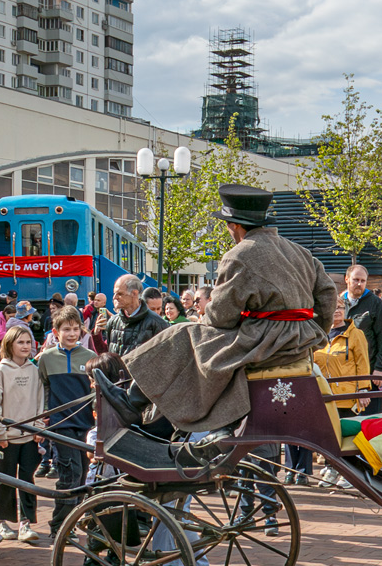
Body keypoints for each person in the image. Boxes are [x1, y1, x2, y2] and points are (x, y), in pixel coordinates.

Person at [95, 184, 336, 447]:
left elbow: (219, 317)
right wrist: (314, 334)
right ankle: (212, 422)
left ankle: (134, 401)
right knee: (203, 342)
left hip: (269, 340)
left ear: (234, 226)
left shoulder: (240, 255)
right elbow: (327, 295)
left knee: (182, 333)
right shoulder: (299, 251)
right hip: (299, 340)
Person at [39, 307, 97, 536]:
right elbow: (42, 386)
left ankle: (70, 521)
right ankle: (60, 525)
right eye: (66, 330)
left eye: (75, 329)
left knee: (82, 474)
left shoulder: (90, 357)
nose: (72, 334)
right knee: (68, 474)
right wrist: (44, 412)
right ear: (56, 332)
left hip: (85, 424)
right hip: (60, 424)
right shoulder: (46, 358)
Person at [0, 325, 45, 542]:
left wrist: (38, 428)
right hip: (6, 439)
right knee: (5, 480)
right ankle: (1, 521)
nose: (25, 346)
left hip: (29, 437)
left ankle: (26, 523)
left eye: (28, 342)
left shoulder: (34, 370)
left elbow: (41, 402)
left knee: (27, 479)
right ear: (9, 344)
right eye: (20, 342)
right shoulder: (1, 370)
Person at [312, 299, 371, 487]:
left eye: (340, 307)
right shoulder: (318, 334)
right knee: (328, 435)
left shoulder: (355, 334)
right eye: (333, 307)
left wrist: (363, 389)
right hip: (325, 394)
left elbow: (362, 362)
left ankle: (349, 473)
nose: (337, 311)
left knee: (347, 436)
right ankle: (332, 469)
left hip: (346, 394)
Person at [342, 265, 382, 416]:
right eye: (355, 280)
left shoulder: (375, 303)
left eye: (363, 281)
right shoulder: (339, 302)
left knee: (370, 419)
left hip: (370, 368)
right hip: (345, 372)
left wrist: (380, 367)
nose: (359, 284)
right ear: (347, 279)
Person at [98, 273, 169, 358]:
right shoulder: (113, 322)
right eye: (114, 293)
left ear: (134, 293)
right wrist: (96, 335)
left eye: (120, 294)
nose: (114, 297)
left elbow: (164, 358)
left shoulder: (157, 323)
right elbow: (107, 356)